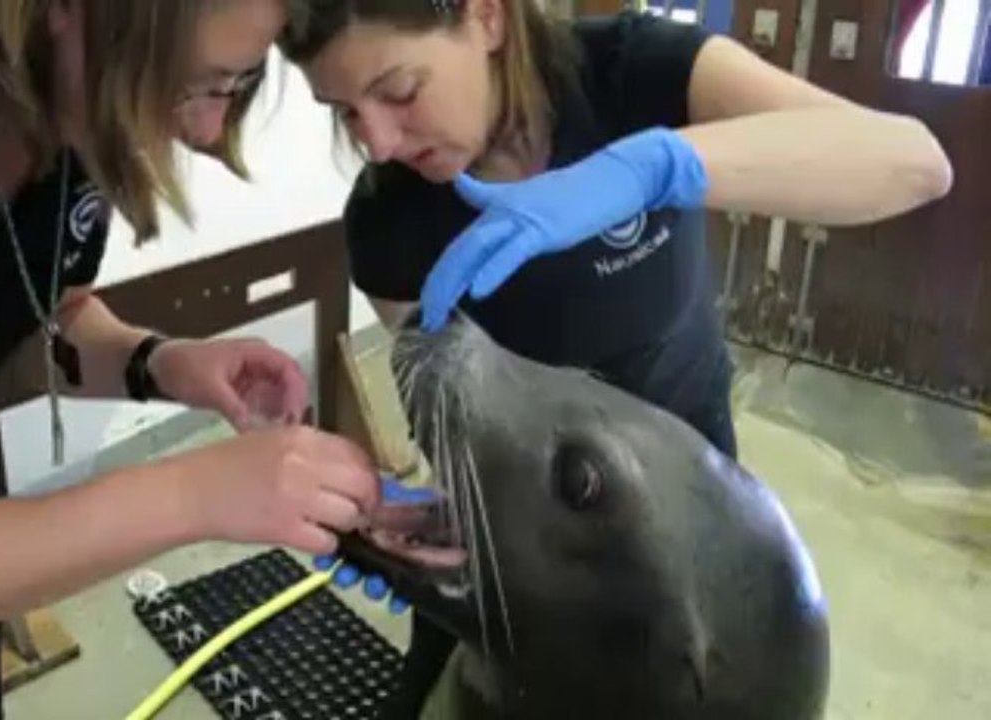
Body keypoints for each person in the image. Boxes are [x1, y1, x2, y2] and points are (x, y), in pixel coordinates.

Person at [277, 0, 953, 716]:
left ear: (487, 16)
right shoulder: (389, 219)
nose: (379, 143)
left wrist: (657, 166)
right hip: (521, 538)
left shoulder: (630, 71)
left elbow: (917, 162)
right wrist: (435, 525)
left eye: (399, 91)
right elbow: (449, 407)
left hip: (674, 527)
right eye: (345, 113)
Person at [0, 1, 384, 717]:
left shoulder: (70, 94)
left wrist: (158, 363)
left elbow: (37, 316)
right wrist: (196, 493)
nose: (205, 129)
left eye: (235, 85)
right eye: (193, 83)